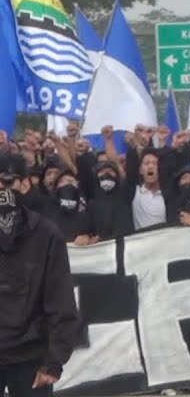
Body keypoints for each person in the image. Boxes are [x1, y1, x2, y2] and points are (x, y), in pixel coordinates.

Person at [0, 155, 79, 397]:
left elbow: (61, 299)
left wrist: (54, 362)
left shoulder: (46, 234)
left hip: (31, 357)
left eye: (6, 182)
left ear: (24, 184)